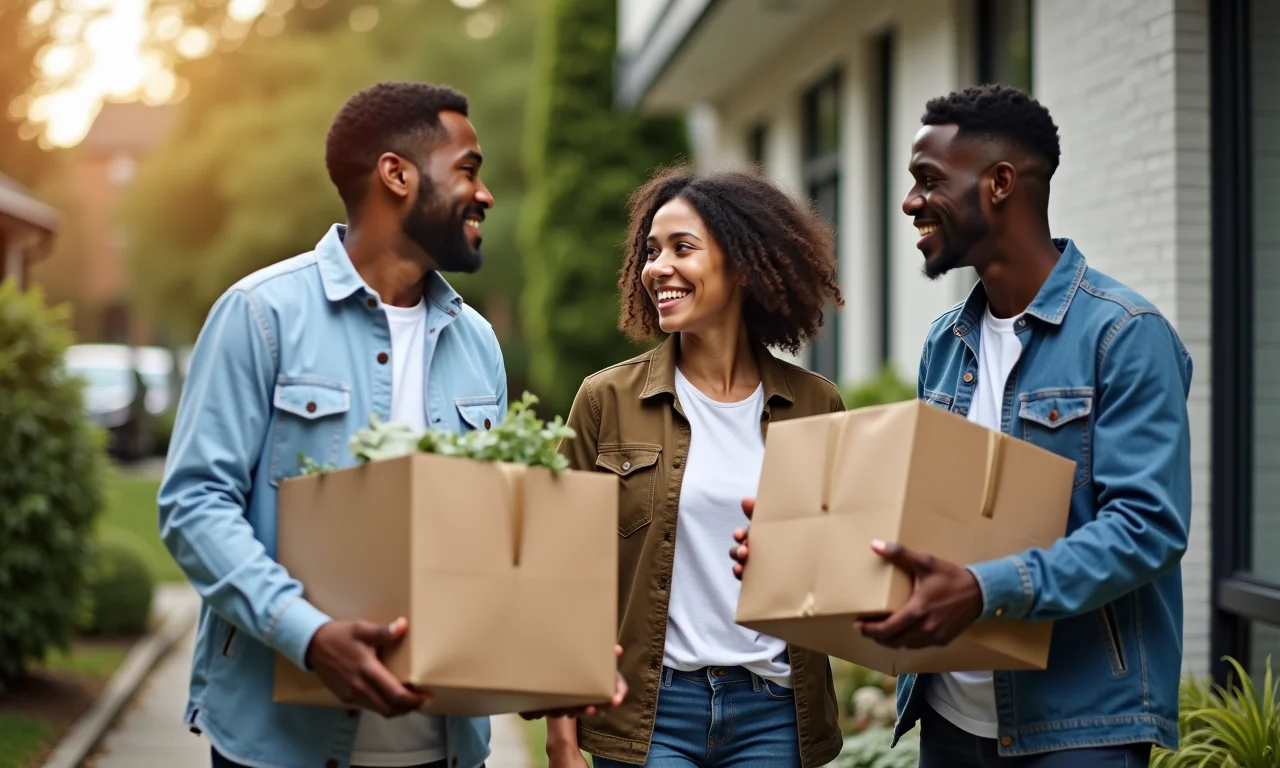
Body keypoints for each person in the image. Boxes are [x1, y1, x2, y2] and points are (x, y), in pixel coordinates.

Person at [159, 81, 624, 768]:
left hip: (440, 747)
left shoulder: (478, 344)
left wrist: (544, 654)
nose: (485, 194)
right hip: (282, 744)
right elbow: (194, 506)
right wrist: (309, 635)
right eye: (467, 170)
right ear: (397, 174)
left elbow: (488, 537)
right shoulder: (261, 314)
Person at [732, 83, 1192, 767]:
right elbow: (931, 523)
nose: (910, 202)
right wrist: (804, 551)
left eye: (927, 181)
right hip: (950, 722)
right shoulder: (948, 342)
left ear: (1001, 183)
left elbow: (1146, 528)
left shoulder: (1123, 335)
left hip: (1078, 730)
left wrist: (984, 590)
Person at [544, 164, 847, 768]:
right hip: (649, 716)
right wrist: (560, 728)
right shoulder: (606, 402)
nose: (657, 268)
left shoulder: (816, 405)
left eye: (682, 248)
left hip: (775, 713)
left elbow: (842, 572)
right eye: (651, 252)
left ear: (742, 264)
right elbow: (557, 570)